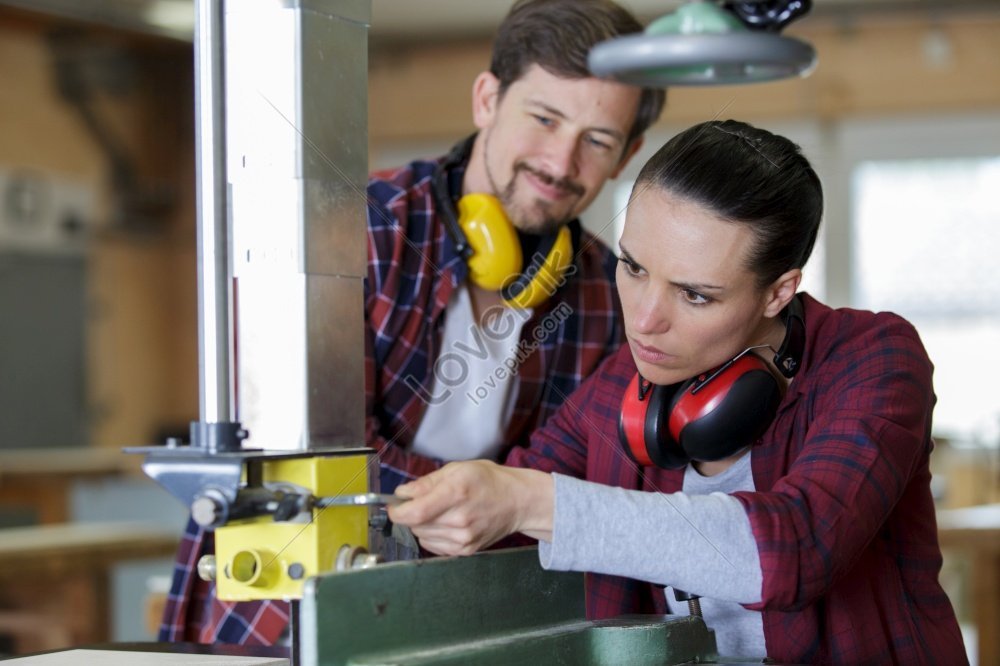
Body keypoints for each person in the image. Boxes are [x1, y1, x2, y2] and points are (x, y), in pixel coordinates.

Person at [158, 0, 666, 645]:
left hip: (468, 612)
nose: (561, 163)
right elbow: (304, 447)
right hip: (284, 607)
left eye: (596, 140)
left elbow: (583, 474)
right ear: (487, 99)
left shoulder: (600, 287)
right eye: (543, 118)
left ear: (628, 154)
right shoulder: (355, 231)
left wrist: (512, 501)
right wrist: (499, 499)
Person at [389, 119, 967, 664]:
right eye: (634, 268)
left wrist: (533, 501)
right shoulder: (619, 383)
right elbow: (504, 517)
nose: (643, 320)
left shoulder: (875, 358)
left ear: (777, 292)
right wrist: (429, 510)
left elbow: (796, 548)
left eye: (694, 295)